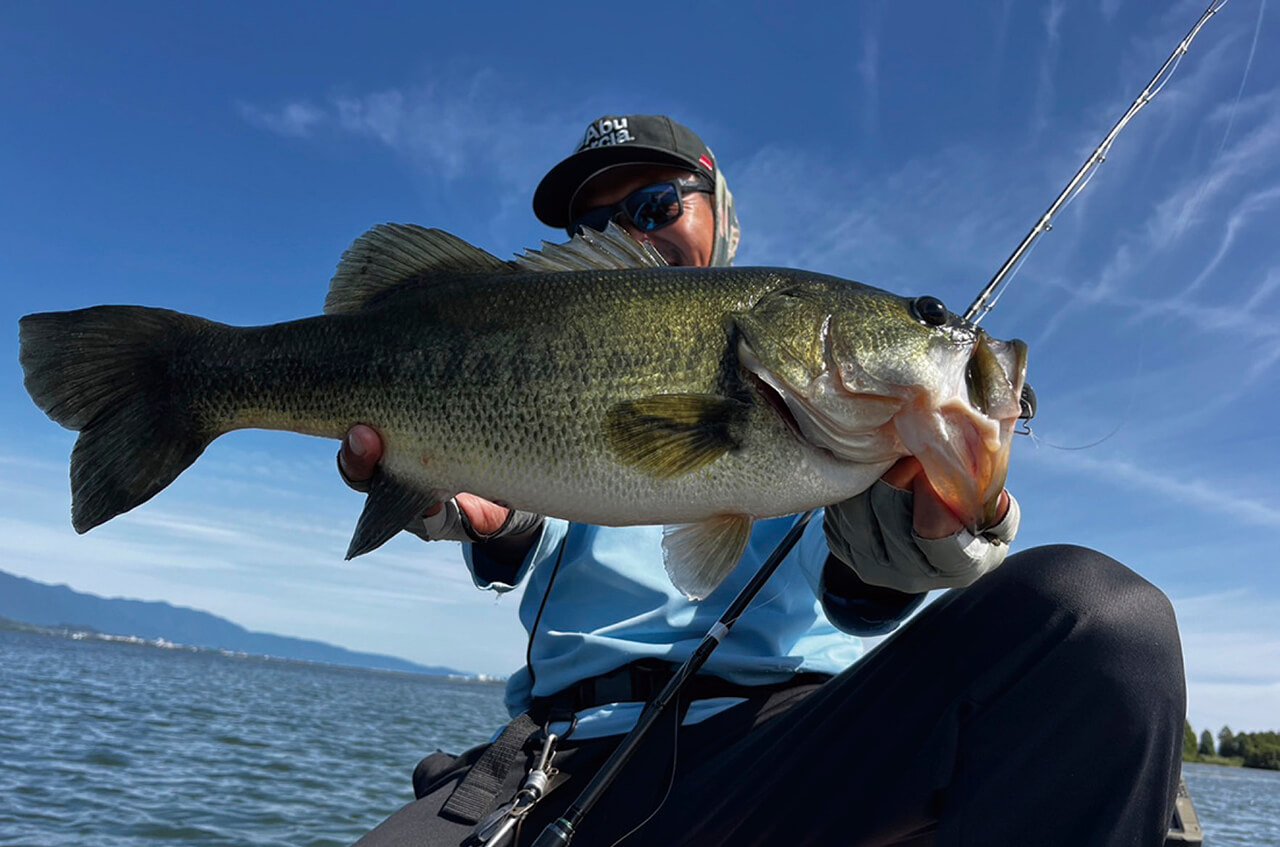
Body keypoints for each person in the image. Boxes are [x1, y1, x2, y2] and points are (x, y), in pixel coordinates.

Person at [344, 115, 1186, 846]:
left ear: (723, 212)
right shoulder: (539, 369)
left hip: (782, 748)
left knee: (1098, 623)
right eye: (592, 225)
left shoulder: (828, 398)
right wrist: (481, 520)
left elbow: (864, 582)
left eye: (653, 206)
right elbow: (518, 527)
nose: (629, 234)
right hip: (553, 757)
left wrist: (943, 511)